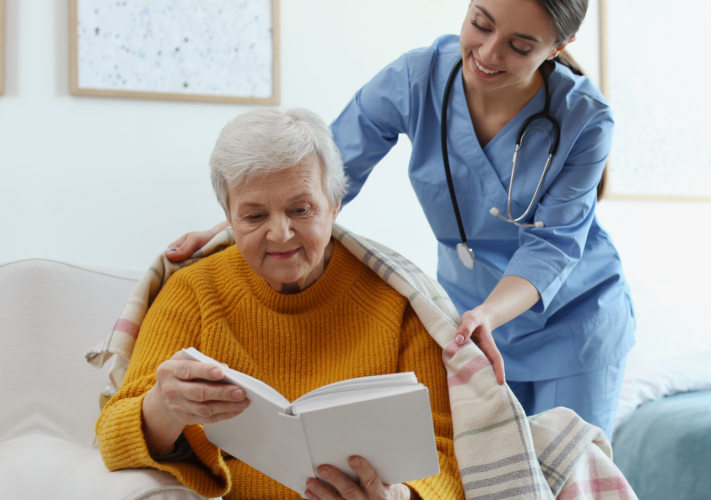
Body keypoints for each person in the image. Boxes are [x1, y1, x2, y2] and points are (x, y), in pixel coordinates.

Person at [167, 0, 634, 438]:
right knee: (482, 472)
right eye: (481, 23)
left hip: (575, 322)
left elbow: (552, 246)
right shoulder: (418, 77)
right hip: (467, 312)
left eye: (519, 46)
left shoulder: (585, 119)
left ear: (558, 48)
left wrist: (489, 314)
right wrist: (239, 229)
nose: (488, 53)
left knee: (569, 476)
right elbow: (323, 178)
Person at [98, 109, 463, 500]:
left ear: (336, 204)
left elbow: (447, 452)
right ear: (229, 218)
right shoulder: (193, 290)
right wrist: (162, 408)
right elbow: (112, 434)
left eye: (301, 210)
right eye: (255, 215)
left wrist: (399, 497)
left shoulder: (399, 301)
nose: (280, 233)